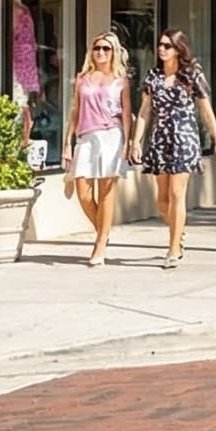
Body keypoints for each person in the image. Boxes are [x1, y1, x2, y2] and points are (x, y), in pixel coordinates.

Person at [129, 29, 216, 269]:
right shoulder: (153, 77)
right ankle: (177, 230)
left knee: (175, 194)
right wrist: (135, 141)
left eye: (167, 46)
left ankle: (173, 248)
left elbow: (205, 109)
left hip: (184, 140)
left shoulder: (191, 75)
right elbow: (144, 111)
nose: (161, 49)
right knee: (161, 200)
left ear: (178, 50)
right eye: (160, 45)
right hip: (160, 140)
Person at [67, 32, 129, 267]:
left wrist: (130, 143)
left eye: (106, 48)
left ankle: (100, 244)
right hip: (86, 137)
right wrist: (67, 142)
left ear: (113, 52)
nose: (101, 52)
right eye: (97, 48)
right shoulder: (83, 78)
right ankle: (103, 231)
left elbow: (126, 113)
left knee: (105, 192)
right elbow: (75, 110)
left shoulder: (120, 80)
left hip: (111, 136)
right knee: (82, 192)